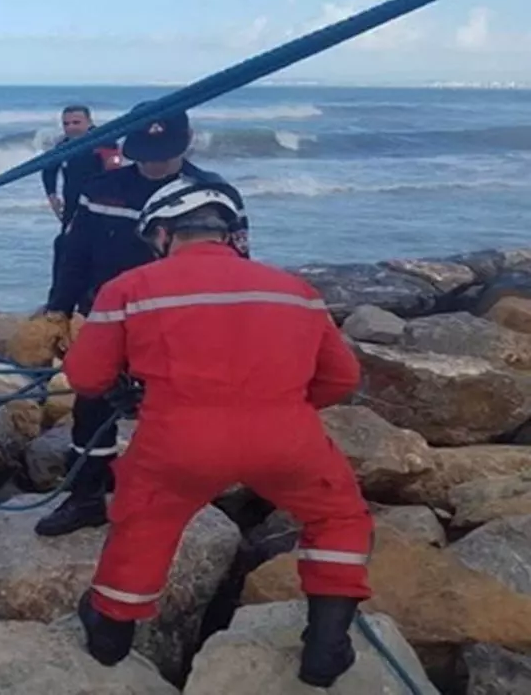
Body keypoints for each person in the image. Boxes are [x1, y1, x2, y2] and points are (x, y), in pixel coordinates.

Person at [65, 177, 372, 688]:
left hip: (178, 442)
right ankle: (326, 646)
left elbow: (86, 378)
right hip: (287, 438)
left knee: (144, 522)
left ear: (163, 233)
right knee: (339, 515)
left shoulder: (128, 288)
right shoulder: (296, 289)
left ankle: (110, 632)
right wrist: (280, 409)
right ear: (227, 233)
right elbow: (342, 378)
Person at [32, 103, 249, 538]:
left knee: (168, 414)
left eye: (162, 152)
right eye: (145, 152)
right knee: (91, 406)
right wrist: (58, 309)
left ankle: (168, 499)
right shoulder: (101, 188)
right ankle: (86, 497)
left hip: (176, 326)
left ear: (185, 143)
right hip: (106, 318)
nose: (153, 162)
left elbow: (236, 266)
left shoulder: (214, 195)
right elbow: (74, 255)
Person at [40, 105, 122, 302]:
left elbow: (116, 173)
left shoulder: (104, 141)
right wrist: (52, 195)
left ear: (89, 122)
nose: (71, 128)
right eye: (66, 124)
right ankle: (57, 301)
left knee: (95, 256)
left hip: (100, 209)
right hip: (72, 208)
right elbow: (48, 168)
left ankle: (93, 300)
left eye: (76, 123)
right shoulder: (64, 145)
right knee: (64, 251)